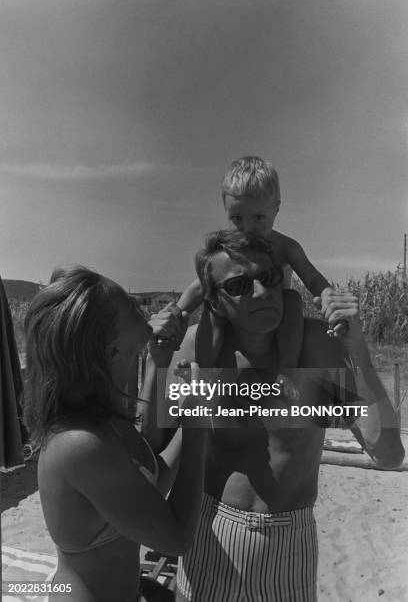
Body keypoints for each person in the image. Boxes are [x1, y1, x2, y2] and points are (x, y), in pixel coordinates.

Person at [148, 230, 404, 602]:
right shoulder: (199, 347)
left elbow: (388, 453)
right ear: (216, 302)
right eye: (238, 285)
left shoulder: (317, 348)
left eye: (269, 278)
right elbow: (153, 453)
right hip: (212, 530)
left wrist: (357, 348)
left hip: (289, 540)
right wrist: (157, 365)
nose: (261, 293)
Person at [22, 265, 208, 602]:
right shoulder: (81, 445)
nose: (149, 311)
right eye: (133, 308)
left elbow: (152, 482)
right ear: (111, 349)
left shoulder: (104, 416)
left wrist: (161, 365)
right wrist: (196, 425)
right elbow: (176, 538)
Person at [174, 156, 342, 386]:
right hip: (237, 311)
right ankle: (203, 370)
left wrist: (328, 297)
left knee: (292, 300)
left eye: (258, 217)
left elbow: (311, 276)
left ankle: (287, 371)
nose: (247, 228)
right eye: (237, 218)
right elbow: (200, 286)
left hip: (275, 313)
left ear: (276, 209)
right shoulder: (226, 252)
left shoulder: (285, 246)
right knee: (211, 310)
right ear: (225, 211)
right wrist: (176, 314)